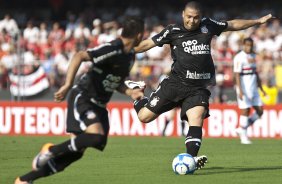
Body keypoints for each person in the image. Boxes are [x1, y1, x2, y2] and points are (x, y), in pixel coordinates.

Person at [130, 1, 274, 170]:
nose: (192, 21)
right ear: (183, 14)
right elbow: (147, 44)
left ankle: (190, 160)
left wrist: (257, 22)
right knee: (144, 117)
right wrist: (123, 49)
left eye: (196, 18)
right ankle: (138, 95)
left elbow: (232, 24)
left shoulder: (208, 25)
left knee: (196, 119)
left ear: (200, 17)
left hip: (198, 88)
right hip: (175, 83)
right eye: (189, 17)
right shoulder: (172, 31)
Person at [15, 16, 145, 184]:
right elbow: (79, 56)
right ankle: (51, 150)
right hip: (84, 96)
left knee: (76, 153)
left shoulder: (129, 56)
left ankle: (25, 180)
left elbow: (114, 80)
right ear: (139, 35)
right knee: (96, 136)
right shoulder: (113, 48)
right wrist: (68, 84)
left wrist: (130, 92)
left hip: (99, 104)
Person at [234, 38, 266, 144]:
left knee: (260, 111)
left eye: (251, 45)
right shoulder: (239, 57)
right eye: (247, 45)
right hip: (244, 88)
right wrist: (240, 90)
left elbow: (255, 73)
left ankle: (242, 128)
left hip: (254, 89)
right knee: (246, 111)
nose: (249, 47)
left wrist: (261, 88)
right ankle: (244, 137)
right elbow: (237, 74)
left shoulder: (253, 56)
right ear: (243, 45)